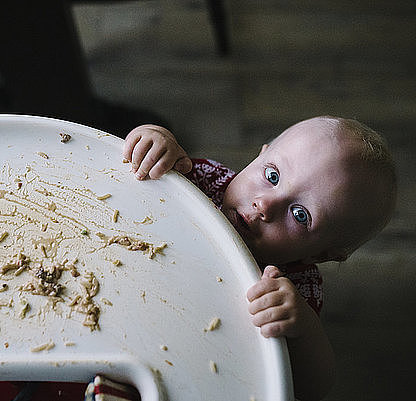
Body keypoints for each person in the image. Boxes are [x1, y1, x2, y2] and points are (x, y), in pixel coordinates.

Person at [122, 116, 397, 401]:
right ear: (261, 154)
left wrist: (302, 327)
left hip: (195, 359)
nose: (265, 204)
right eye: (272, 176)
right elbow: (134, 181)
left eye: (300, 215)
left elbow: (311, 388)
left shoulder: (293, 287)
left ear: (321, 254)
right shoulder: (206, 181)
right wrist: (154, 141)